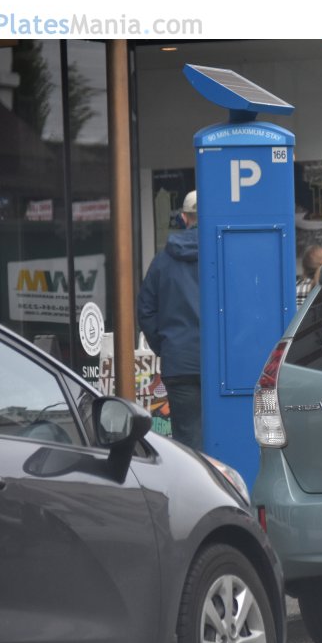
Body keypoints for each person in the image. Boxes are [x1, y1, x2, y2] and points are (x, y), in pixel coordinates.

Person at [137, 190, 203, 451]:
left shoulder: (162, 261)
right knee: (227, 437)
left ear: (184, 218)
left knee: (188, 443)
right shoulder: (223, 254)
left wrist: (166, 346)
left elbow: (146, 311)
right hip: (221, 365)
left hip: (179, 362)